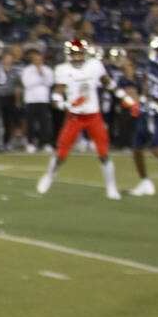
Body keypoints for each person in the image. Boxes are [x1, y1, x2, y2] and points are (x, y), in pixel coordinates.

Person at [36, 39, 128, 200]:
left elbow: (107, 82)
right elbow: (58, 92)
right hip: (74, 117)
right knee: (61, 154)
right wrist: (62, 103)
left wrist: (123, 95)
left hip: (93, 115)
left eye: (80, 54)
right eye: (74, 54)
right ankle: (50, 174)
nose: (77, 58)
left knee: (103, 152)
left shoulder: (94, 66)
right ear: (68, 55)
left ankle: (111, 186)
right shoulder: (63, 70)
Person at [128, 35, 158, 196]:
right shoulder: (148, 66)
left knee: (157, 147)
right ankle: (144, 182)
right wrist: (141, 99)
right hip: (148, 110)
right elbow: (145, 85)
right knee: (136, 146)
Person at [21, 49, 54, 153]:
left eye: (39, 59)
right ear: (32, 60)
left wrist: (40, 75)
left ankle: (45, 143)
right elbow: (27, 84)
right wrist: (40, 80)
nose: (38, 61)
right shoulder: (27, 70)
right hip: (30, 100)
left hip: (43, 100)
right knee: (30, 123)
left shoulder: (47, 70)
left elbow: (50, 82)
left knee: (45, 123)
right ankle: (30, 143)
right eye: (35, 59)